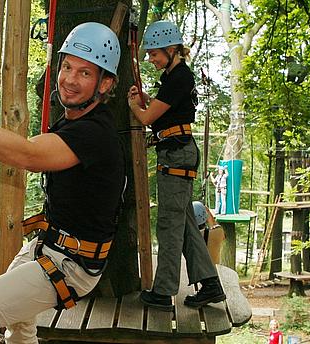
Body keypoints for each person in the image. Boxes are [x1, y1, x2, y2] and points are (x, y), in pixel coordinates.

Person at [0, 22, 125, 344]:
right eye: (67, 66)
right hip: (52, 247)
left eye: (85, 73)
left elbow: (27, 155)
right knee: (20, 328)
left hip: (71, 264)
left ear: (105, 84)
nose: (70, 79)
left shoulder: (94, 133)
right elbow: (27, 147)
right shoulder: (77, 123)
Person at [127, 20, 225, 311]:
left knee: (170, 223)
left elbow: (146, 118)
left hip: (176, 154)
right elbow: (164, 109)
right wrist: (146, 99)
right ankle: (209, 284)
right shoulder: (174, 78)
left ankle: (164, 291)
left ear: (171, 49)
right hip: (177, 152)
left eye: (154, 53)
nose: (151, 59)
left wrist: (135, 105)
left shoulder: (180, 77)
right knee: (182, 224)